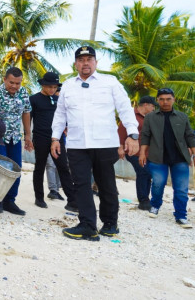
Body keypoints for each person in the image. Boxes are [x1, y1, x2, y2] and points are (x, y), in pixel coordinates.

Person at [52, 46, 139, 242]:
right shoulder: (67, 85)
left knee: (106, 184)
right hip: (76, 145)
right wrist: (55, 138)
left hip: (105, 143)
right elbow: (60, 115)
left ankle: (109, 224)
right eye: (81, 60)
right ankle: (87, 226)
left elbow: (125, 108)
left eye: (89, 59)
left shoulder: (110, 82)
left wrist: (133, 135)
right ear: (76, 64)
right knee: (81, 184)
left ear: (96, 62)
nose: (85, 63)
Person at [138, 88, 195, 228]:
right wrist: (142, 153)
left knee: (181, 189)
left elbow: (190, 136)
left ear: (174, 100)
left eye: (168, 99)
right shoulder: (150, 117)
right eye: (162, 99)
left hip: (180, 159)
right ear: (157, 100)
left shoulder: (182, 117)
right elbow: (145, 136)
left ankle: (181, 215)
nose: (165, 102)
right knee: (158, 184)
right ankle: (155, 205)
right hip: (157, 158)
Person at [0, 67, 33, 215]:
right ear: (5, 79)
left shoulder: (23, 92)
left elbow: (26, 112)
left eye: (17, 83)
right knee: (1, 170)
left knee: (16, 169)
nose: (14, 86)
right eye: (11, 82)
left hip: (15, 137)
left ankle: (10, 202)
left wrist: (28, 135)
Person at [29, 72, 77, 210]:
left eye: (55, 87)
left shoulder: (59, 100)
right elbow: (28, 119)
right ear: (43, 85)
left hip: (57, 138)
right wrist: (28, 137)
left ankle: (72, 201)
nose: (52, 89)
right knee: (40, 167)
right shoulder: (34, 99)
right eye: (49, 86)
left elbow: (64, 116)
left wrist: (66, 127)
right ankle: (39, 198)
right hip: (40, 137)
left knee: (63, 167)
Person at [117, 95, 156, 210]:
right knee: (143, 172)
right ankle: (143, 200)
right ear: (146, 105)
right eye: (153, 106)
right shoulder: (130, 115)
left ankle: (145, 199)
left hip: (147, 152)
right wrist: (120, 147)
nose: (154, 109)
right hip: (133, 151)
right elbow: (121, 131)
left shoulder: (150, 118)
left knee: (147, 174)